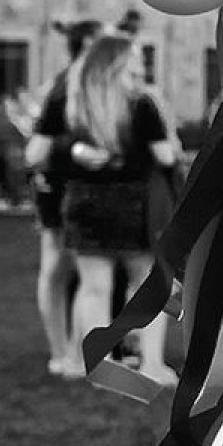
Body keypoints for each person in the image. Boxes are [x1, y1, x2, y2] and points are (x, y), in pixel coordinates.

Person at [26, 34, 179, 386]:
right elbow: (165, 157)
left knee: (93, 286)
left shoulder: (67, 102)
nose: (141, 62)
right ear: (120, 61)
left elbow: (35, 154)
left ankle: (98, 363)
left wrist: (74, 152)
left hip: (81, 200)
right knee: (146, 283)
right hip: (135, 202)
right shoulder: (141, 103)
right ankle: (151, 365)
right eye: (136, 56)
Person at [29, 21, 103, 378]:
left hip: (82, 188)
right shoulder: (64, 88)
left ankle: (74, 353)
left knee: (78, 271)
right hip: (61, 188)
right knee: (59, 267)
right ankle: (63, 353)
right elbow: (37, 151)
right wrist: (74, 150)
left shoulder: (90, 85)